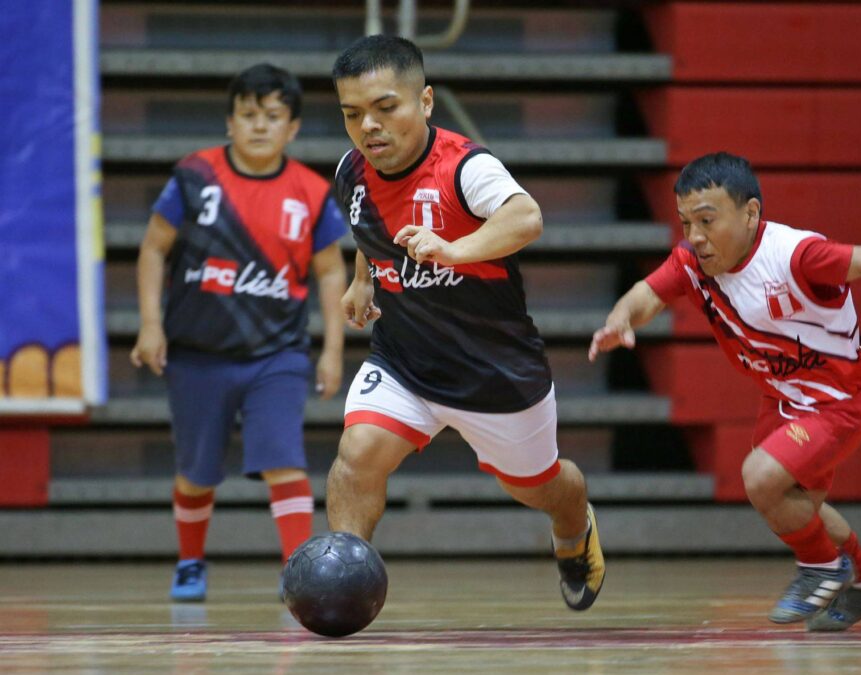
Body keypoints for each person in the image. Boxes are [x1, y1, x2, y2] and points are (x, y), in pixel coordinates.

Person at [590, 152, 861, 630]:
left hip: (838, 404)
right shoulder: (693, 261)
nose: (695, 237)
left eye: (707, 220)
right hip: (784, 399)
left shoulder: (795, 256)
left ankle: (821, 568)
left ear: (750, 213)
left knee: (760, 478)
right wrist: (621, 318)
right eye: (686, 222)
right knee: (795, 506)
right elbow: (650, 292)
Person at [325, 34, 605, 610]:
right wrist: (362, 279)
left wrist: (454, 249)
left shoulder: (466, 166)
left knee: (540, 487)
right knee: (357, 455)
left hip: (495, 371)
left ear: (425, 102)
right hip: (403, 360)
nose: (368, 127)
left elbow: (527, 217)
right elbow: (368, 227)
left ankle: (574, 529)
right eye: (352, 114)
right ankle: (342, 587)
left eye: (385, 108)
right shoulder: (352, 171)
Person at [130, 63, 348, 602]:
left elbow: (330, 272)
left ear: (292, 128)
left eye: (272, 116)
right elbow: (154, 248)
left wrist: (332, 351)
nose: (259, 126)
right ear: (229, 122)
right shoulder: (194, 176)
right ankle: (189, 563)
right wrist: (151, 325)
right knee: (197, 473)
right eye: (248, 115)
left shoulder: (312, 192)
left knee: (283, 458)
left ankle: (298, 571)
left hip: (278, 353)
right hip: (197, 353)